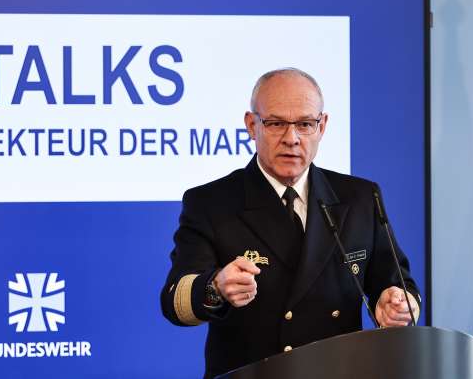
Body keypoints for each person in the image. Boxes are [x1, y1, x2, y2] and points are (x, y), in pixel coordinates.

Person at [160, 68, 422, 379]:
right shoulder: (211, 202)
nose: (291, 138)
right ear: (251, 125)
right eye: (276, 123)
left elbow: (399, 284)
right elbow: (175, 304)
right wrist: (215, 286)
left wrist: (397, 306)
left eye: (305, 124)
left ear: (322, 126)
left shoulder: (360, 197)